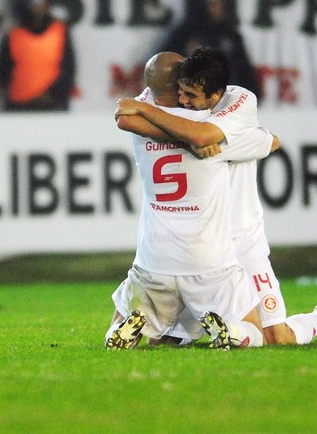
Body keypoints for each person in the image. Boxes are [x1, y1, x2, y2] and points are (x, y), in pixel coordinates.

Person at [116, 46, 317, 345]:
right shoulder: (175, 113)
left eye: (189, 94)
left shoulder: (237, 105)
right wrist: (187, 141)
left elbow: (270, 142)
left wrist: (188, 137)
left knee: (276, 337)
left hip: (241, 239)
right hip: (203, 251)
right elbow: (126, 117)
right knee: (166, 342)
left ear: (214, 95)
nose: (183, 99)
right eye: (179, 91)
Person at [105, 52, 272, 350]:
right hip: (208, 261)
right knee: (256, 332)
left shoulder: (139, 121)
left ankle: (119, 329)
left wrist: (145, 110)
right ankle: (234, 333)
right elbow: (269, 142)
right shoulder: (209, 128)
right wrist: (195, 142)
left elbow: (124, 118)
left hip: (153, 259)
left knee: (149, 329)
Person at [0, 0, 76, 112]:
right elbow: (2, 68)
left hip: (51, 106)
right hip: (18, 106)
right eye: (33, 4)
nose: (38, 8)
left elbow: (68, 69)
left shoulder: (59, 31)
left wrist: (55, 94)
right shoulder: (14, 34)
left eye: (42, 2)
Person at [159, 0, 262, 96]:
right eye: (213, 4)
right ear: (202, 5)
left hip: (224, 102)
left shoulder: (230, 35)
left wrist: (254, 94)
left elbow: (244, 68)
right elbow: (164, 65)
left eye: (220, 4)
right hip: (190, 103)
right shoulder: (185, 34)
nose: (218, 8)